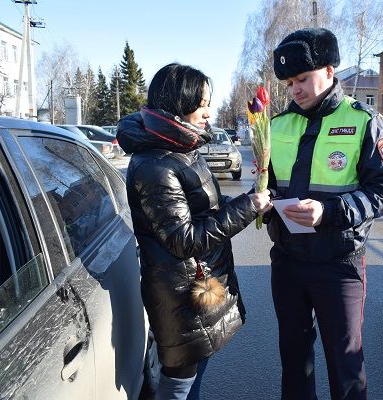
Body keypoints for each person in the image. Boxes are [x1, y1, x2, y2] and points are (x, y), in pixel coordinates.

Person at [116, 63, 272, 400]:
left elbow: (206, 209)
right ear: (178, 104)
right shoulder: (155, 164)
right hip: (179, 294)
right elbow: (183, 239)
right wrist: (248, 208)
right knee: (179, 385)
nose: (208, 111)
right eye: (202, 103)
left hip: (193, 285)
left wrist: (250, 199)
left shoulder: (182, 149)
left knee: (190, 377)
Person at [265, 28, 383, 399]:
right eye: (290, 82)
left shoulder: (364, 121)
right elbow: (268, 183)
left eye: (302, 79)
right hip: (287, 262)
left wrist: (328, 212)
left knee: (345, 364)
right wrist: (262, 200)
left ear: (329, 69)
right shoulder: (277, 125)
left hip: (338, 264)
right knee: (294, 360)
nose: (295, 89)